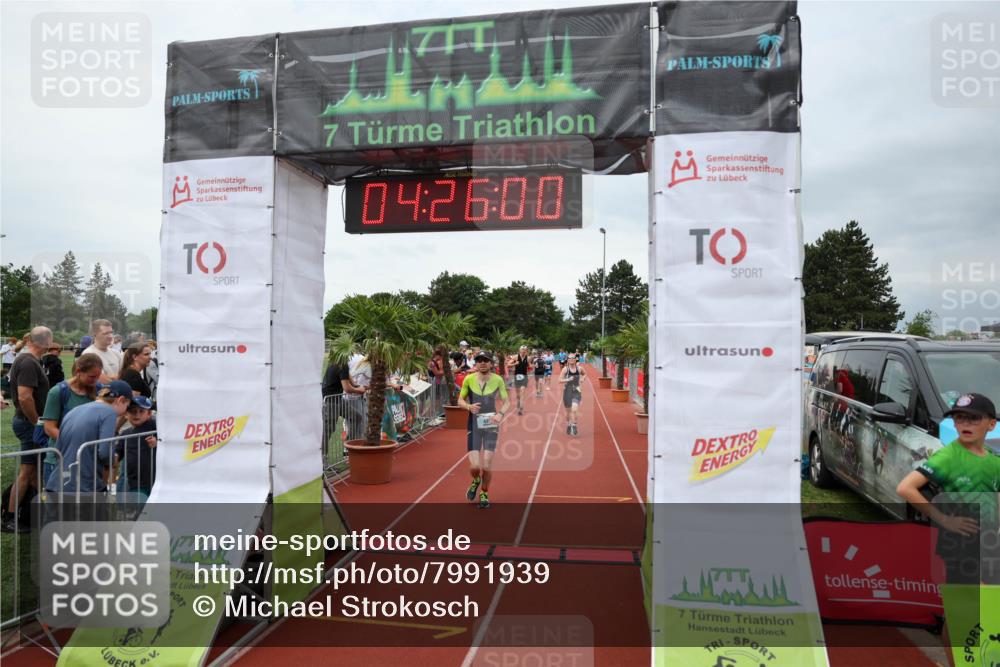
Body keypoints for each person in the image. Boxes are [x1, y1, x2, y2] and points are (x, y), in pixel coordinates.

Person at [896, 393, 1000, 585]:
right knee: (964, 598)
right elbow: (905, 488)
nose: (965, 424)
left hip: (989, 542)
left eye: (974, 418)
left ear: (991, 424)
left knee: (990, 600)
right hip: (960, 543)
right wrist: (944, 520)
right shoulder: (948, 456)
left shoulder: (994, 460)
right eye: (959, 418)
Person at [45, 380, 138, 494]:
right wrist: (113, 459)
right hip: (84, 485)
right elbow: (105, 453)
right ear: (121, 400)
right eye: (127, 406)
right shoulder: (109, 413)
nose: (125, 412)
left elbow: (58, 448)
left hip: (57, 482)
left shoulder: (75, 410)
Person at [1, 327, 52, 533]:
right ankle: (9, 517)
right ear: (47, 342)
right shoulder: (29, 362)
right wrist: (37, 423)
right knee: (27, 471)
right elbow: (24, 397)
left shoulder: (29, 360)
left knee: (35, 472)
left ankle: (32, 513)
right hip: (28, 424)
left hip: (28, 422)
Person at [457, 351, 511, 509]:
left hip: (490, 425)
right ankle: (476, 480)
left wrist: (500, 414)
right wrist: (469, 406)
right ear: (476, 363)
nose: (482, 363)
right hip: (473, 425)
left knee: (486, 466)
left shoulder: (498, 379)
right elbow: (460, 400)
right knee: (475, 467)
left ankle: (484, 493)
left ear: (491, 363)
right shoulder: (469, 379)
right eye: (479, 360)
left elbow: (507, 402)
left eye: (485, 360)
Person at [40, 354, 102, 485]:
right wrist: (75, 442)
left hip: (88, 459)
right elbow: (49, 428)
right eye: (92, 376)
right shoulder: (58, 392)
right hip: (61, 458)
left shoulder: (100, 391)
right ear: (78, 371)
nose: (96, 380)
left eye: (98, 376)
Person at [114, 396, 157, 498]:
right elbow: (117, 453)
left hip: (156, 481)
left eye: (141, 411)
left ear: (149, 414)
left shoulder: (154, 426)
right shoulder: (125, 434)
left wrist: (157, 443)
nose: (137, 414)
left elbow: (168, 442)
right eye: (133, 411)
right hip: (135, 482)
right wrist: (113, 456)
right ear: (126, 414)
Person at [559, 352, 584, 436]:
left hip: (576, 391)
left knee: (574, 409)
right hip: (567, 391)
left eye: (573, 358)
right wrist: (568, 379)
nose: (572, 359)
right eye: (570, 358)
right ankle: (569, 424)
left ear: (575, 359)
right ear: (568, 360)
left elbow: (584, 374)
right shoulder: (565, 369)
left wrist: (582, 379)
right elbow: (559, 380)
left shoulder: (579, 368)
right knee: (568, 412)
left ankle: (574, 425)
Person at [511, 345, 531, 415]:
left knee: (522, 391)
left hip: (524, 376)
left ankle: (521, 408)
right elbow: (508, 364)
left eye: (525, 350)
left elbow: (529, 365)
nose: (523, 351)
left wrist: (533, 366)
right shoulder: (515, 357)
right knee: (518, 394)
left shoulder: (528, 358)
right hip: (517, 376)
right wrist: (514, 363)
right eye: (522, 349)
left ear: (526, 351)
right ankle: (518, 402)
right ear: (520, 350)